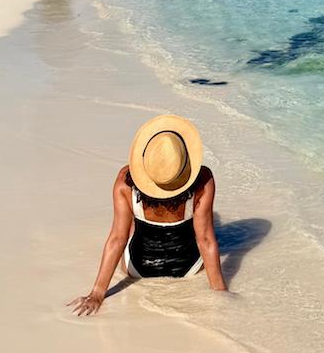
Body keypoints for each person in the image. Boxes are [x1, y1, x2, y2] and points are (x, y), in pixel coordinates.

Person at [67, 114, 226, 316]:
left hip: (138, 268)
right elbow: (206, 240)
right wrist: (220, 293)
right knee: (205, 231)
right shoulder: (203, 181)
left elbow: (117, 239)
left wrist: (97, 293)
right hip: (189, 268)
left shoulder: (125, 184)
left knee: (130, 224)